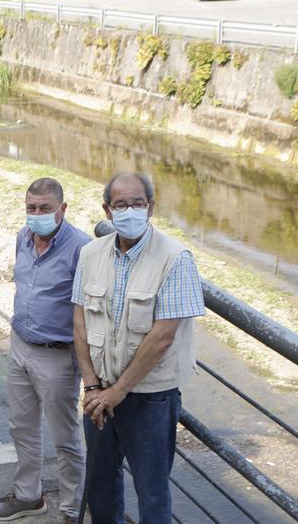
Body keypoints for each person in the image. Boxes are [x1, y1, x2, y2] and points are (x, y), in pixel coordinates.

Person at [72, 173, 204, 524]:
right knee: (100, 485)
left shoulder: (176, 259)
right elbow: (79, 322)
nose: (130, 210)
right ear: (107, 209)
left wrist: (117, 392)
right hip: (100, 392)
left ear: (151, 208)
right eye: (120, 204)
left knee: (152, 492)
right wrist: (92, 385)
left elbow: (162, 337)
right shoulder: (91, 254)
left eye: (137, 203)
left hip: (150, 398)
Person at [0, 178, 90, 523]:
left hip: (58, 355)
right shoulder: (23, 238)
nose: (36, 214)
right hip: (19, 345)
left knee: (65, 436)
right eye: (31, 207)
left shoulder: (81, 249)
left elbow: (87, 312)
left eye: (44, 208)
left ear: (62, 208)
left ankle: (73, 508)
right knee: (21, 426)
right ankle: (29, 496)